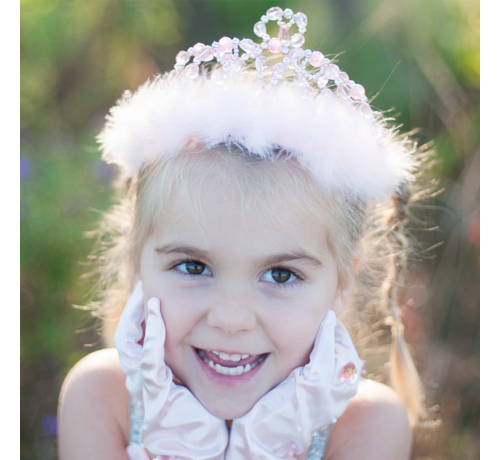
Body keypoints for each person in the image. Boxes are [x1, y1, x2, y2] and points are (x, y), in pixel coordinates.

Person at [58, 6, 426, 460]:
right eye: (193, 266)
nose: (231, 318)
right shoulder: (101, 398)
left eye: (281, 275)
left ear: (343, 281)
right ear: (137, 260)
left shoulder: (367, 425)